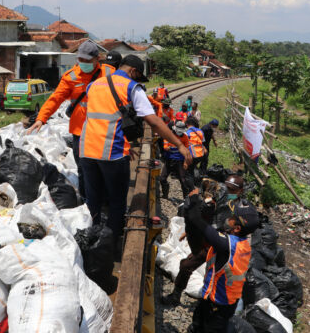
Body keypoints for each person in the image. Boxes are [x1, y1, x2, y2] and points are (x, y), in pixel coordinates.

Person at [79, 55, 192, 247]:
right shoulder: (131, 87)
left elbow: (103, 118)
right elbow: (154, 121)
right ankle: (109, 245)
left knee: (93, 200)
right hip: (111, 153)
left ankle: (90, 241)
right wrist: (180, 145)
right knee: (116, 202)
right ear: (133, 72)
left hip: (86, 149)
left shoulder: (94, 85)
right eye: (137, 77)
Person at [27, 41, 115, 200]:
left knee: (104, 167)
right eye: (81, 60)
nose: (84, 64)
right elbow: (55, 99)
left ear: (98, 59)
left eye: (88, 61)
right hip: (80, 132)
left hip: (104, 131)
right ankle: (87, 201)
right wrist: (42, 118)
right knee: (83, 168)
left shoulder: (109, 73)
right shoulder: (71, 77)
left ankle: (105, 200)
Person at [185, 179, 258, 333]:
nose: (229, 218)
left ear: (237, 228)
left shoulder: (226, 244)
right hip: (216, 298)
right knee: (198, 322)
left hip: (219, 304)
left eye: (232, 218)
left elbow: (195, 219)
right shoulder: (242, 243)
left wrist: (193, 198)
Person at [161, 175, 246, 307]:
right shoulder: (221, 198)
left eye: (231, 190)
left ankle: (211, 302)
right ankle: (176, 296)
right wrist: (189, 231)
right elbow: (208, 218)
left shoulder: (240, 209)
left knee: (212, 273)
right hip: (209, 240)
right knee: (186, 265)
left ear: (240, 191)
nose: (227, 191)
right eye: (227, 187)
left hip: (224, 245)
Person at [160, 120, 194, 199]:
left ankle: (186, 198)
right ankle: (165, 194)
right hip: (169, 160)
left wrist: (185, 162)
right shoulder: (169, 135)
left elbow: (187, 151)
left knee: (183, 180)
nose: (179, 133)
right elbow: (165, 144)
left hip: (180, 161)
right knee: (162, 178)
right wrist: (166, 148)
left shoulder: (185, 137)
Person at [185, 117, 206, 185]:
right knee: (194, 166)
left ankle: (192, 187)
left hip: (192, 154)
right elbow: (203, 142)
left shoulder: (187, 132)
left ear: (187, 124)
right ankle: (198, 181)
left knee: (189, 171)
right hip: (201, 154)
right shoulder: (200, 131)